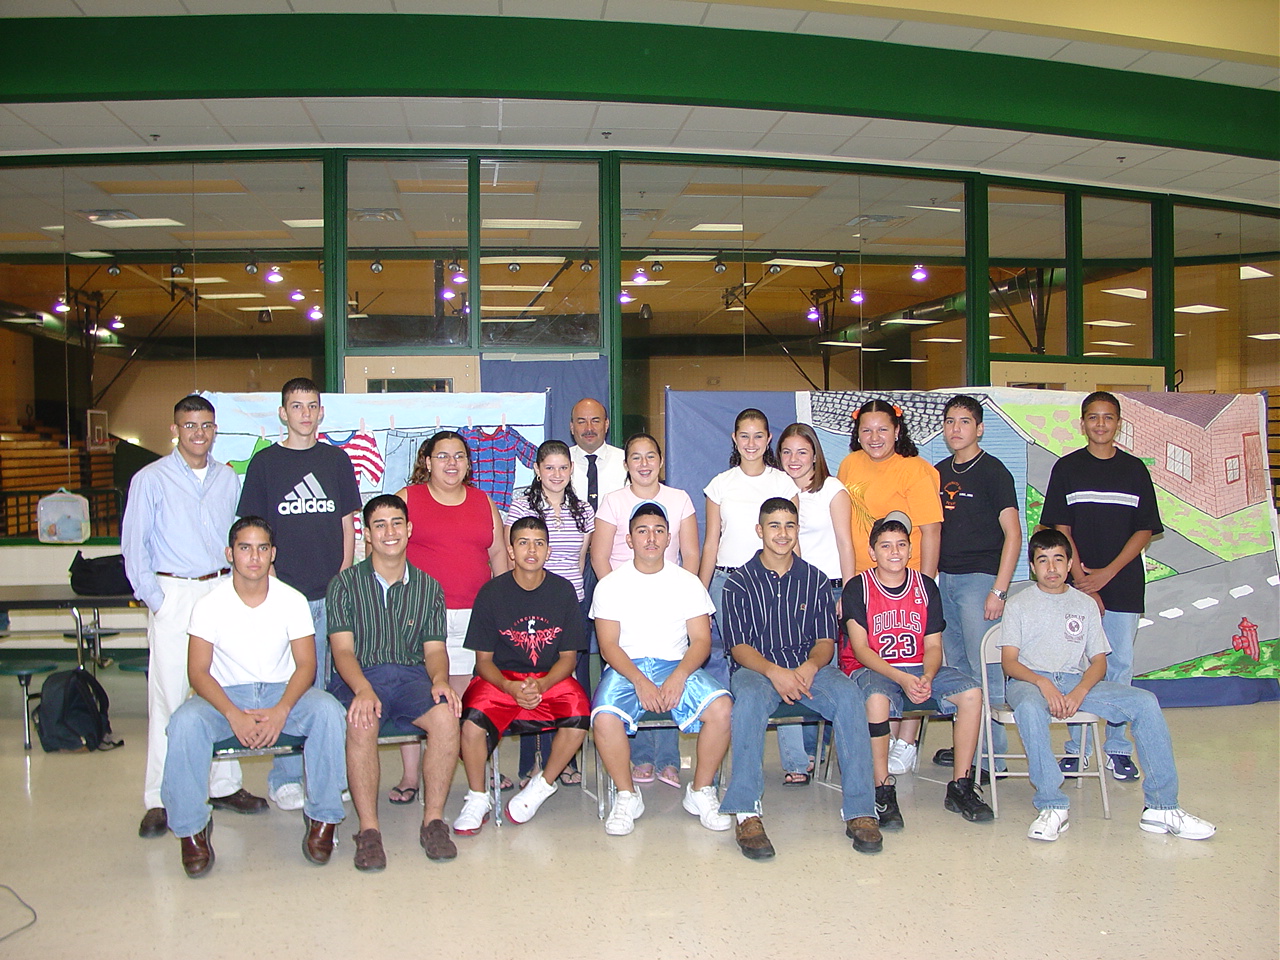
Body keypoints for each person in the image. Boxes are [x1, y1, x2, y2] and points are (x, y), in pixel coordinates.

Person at [1000, 529, 1215, 842]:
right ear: (1032, 567)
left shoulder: (1084, 604)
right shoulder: (1019, 605)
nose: (1051, 568)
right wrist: (1042, 683)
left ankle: (1162, 807)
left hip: (1076, 679)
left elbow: (1099, 662)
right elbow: (1009, 662)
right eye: (1043, 560)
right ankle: (1052, 805)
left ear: (1070, 562)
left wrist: (1079, 691)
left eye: (1059, 559)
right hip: (1029, 680)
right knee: (1031, 709)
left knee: (1145, 703)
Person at [161, 516, 346, 878]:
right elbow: (198, 672)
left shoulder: (291, 600)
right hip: (227, 696)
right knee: (183, 723)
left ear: (273, 553)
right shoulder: (209, 605)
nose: (254, 557)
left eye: (263, 548)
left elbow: (306, 665)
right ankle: (192, 830)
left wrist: (281, 711)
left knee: (328, 712)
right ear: (230, 553)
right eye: (245, 548)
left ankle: (323, 818)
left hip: (282, 690)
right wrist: (233, 714)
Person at [122, 395, 265, 840]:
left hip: (221, 590)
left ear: (214, 429)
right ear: (175, 429)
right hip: (176, 593)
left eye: (205, 425)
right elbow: (134, 546)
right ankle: (161, 799)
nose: (198, 433)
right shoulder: (151, 479)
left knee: (224, 691)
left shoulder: (226, 478)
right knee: (169, 698)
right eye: (189, 425)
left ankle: (223, 785)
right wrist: (157, 600)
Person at [718, 498, 882, 859]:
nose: (782, 533)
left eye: (789, 525)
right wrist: (775, 673)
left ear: (797, 531)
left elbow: (826, 642)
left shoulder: (817, 580)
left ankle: (860, 809)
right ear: (760, 531)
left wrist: (808, 668)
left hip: (809, 668)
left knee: (849, 696)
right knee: (746, 704)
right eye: (774, 525)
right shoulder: (738, 584)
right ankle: (746, 811)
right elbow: (739, 647)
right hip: (757, 670)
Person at [236, 377, 362, 812]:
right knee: (287, 685)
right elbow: (252, 534)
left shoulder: (337, 460)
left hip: (330, 594)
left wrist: (343, 575)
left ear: (321, 412)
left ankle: (329, 774)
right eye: (296, 405)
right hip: (281, 599)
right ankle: (285, 775)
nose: (305, 413)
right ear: (282, 413)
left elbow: (348, 523)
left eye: (312, 405)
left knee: (330, 686)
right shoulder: (265, 464)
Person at [326, 495, 460, 870]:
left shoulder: (429, 586)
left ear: (409, 529)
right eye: (380, 525)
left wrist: (440, 681)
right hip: (360, 677)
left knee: (447, 717)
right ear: (367, 535)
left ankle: (433, 821)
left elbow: (434, 650)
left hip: (411, 678)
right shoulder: (344, 584)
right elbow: (342, 651)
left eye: (397, 523)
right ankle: (369, 831)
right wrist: (362, 689)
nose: (390, 532)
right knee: (362, 718)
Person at [590, 501, 733, 836]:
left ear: (669, 537)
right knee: (604, 716)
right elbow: (609, 645)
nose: (651, 538)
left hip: (676, 664)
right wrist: (639, 681)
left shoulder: (687, 582)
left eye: (658, 531)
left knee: (722, 708)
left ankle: (700, 791)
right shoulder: (610, 584)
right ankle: (627, 795)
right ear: (629, 540)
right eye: (642, 531)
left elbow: (700, 640)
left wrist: (678, 677)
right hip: (628, 668)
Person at [843, 512, 993, 830]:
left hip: (919, 667)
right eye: (885, 546)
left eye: (901, 544)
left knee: (971, 692)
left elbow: (934, 645)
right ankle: (882, 788)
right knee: (877, 700)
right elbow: (860, 649)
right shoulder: (859, 588)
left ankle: (961, 786)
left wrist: (926, 675)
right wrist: (902, 678)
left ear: (911, 549)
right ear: (872, 552)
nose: (894, 552)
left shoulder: (925, 587)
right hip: (876, 669)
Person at [1040, 391, 1162, 781]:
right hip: (1076, 583)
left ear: (1118, 424)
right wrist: (1082, 579)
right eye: (1093, 418)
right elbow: (1060, 529)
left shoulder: (1134, 470)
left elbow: (1145, 529)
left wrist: (1108, 574)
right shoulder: (1068, 468)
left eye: (1108, 418)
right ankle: (1078, 749)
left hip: (1123, 582)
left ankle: (1118, 747)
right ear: (1083, 423)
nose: (1100, 424)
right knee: (1078, 665)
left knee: (1119, 664)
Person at [453, 516, 591, 833]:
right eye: (524, 542)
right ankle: (477, 797)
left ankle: (541, 785)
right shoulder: (491, 592)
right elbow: (483, 660)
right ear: (512, 550)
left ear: (549, 550)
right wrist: (509, 686)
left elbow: (569, 658)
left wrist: (542, 683)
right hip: (500, 679)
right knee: (471, 723)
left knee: (580, 713)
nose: (532, 550)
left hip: (549, 677)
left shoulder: (563, 590)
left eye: (539, 543)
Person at [393, 430, 509, 799]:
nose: (451, 464)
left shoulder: (483, 502)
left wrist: (504, 611)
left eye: (459, 456)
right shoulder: (407, 499)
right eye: (442, 456)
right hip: (419, 617)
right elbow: (385, 555)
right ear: (427, 462)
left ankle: (479, 771)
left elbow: (498, 559)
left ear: (468, 464)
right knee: (420, 694)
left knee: (465, 702)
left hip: (474, 617)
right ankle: (411, 777)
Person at [837, 399, 943, 774]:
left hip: (906, 582)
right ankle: (883, 737)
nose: (874, 437)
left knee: (912, 658)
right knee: (877, 663)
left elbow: (930, 530)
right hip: (866, 586)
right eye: (866, 430)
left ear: (897, 431)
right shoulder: (849, 465)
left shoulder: (915, 470)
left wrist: (926, 586)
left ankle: (906, 741)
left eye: (883, 429)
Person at [590, 432, 699, 789]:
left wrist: (685, 598)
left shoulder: (679, 499)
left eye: (650, 456)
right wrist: (622, 599)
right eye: (635, 458)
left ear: (661, 461)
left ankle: (668, 760)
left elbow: (691, 555)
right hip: (624, 605)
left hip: (671, 602)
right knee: (634, 673)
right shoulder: (613, 501)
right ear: (626, 465)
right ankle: (639, 758)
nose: (644, 464)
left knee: (670, 668)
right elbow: (599, 556)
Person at [932, 395, 1021, 776]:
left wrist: (999, 590)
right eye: (950, 421)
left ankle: (993, 758)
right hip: (943, 581)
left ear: (979, 428)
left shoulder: (994, 473)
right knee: (959, 670)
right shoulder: (937, 472)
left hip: (979, 581)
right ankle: (969, 749)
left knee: (985, 668)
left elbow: (1014, 535)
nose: (956, 429)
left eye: (964, 422)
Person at [505, 439, 594, 789]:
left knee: (571, 682)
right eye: (549, 468)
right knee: (532, 679)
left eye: (563, 467)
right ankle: (531, 760)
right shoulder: (521, 504)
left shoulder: (584, 510)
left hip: (572, 604)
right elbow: (515, 555)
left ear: (571, 470)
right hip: (531, 607)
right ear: (538, 471)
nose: (556, 474)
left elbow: (580, 561)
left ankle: (566, 762)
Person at [776, 421, 856, 785]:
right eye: (787, 452)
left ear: (815, 455)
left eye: (802, 452)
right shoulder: (774, 490)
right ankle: (798, 759)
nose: (794, 460)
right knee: (790, 668)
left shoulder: (833, 490)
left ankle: (820, 751)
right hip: (790, 593)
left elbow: (845, 543)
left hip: (831, 591)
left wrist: (849, 594)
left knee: (823, 674)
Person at [698, 408, 798, 682]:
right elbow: (711, 544)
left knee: (772, 653)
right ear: (734, 438)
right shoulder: (720, 484)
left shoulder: (783, 483)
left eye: (757, 436)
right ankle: (727, 720)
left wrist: (798, 584)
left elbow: (792, 541)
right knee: (731, 654)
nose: (751, 444)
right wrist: (701, 597)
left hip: (772, 581)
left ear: (768, 439)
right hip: (726, 582)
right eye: (744, 436)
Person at [568, 397, 627, 512]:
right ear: (572, 427)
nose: (589, 428)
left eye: (595, 421)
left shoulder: (626, 461)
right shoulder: (558, 464)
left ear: (606, 424)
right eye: (581, 422)